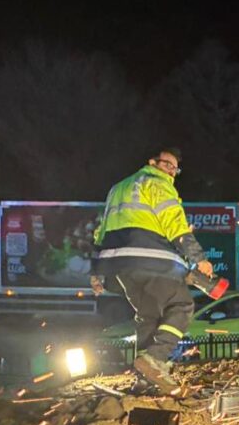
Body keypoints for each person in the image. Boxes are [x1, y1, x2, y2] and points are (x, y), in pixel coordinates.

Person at [90, 148, 211, 393]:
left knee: (149, 316)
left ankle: (145, 379)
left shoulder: (118, 188)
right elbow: (174, 223)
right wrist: (199, 258)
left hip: (121, 266)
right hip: (151, 259)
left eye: (175, 168)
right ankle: (156, 358)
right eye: (167, 164)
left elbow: (101, 230)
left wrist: (96, 271)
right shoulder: (157, 183)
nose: (171, 171)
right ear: (152, 162)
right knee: (181, 306)